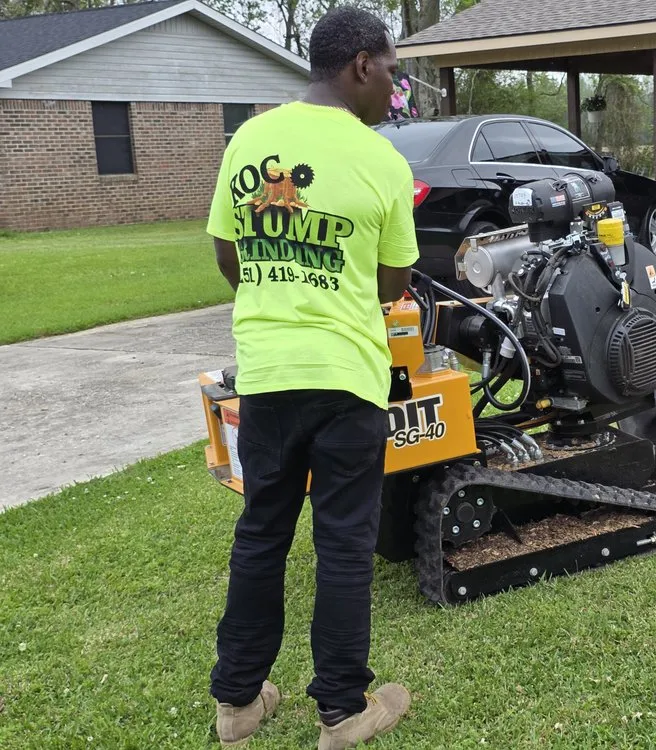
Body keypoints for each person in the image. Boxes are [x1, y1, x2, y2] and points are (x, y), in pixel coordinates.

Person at [204, 6, 418, 749]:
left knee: (261, 530)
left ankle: (236, 705)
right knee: (344, 544)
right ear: (361, 63)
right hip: (347, 380)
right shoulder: (382, 160)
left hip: (265, 375)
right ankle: (341, 711)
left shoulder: (249, 140)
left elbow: (230, 256)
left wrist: (280, 288)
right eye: (390, 70)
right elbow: (393, 280)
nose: (394, 88)